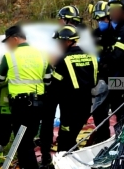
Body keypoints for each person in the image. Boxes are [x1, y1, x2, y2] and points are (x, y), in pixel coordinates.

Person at [40, 25, 98, 168]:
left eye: (59, 42)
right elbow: (95, 80)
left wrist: (47, 100)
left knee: (65, 142)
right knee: (72, 136)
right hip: (86, 104)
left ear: (67, 41)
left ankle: (62, 164)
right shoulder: (91, 56)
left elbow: (55, 85)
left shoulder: (63, 59)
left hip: (70, 106)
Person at [0, 25, 51, 169]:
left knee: (22, 142)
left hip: (21, 105)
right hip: (39, 103)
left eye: (7, 42)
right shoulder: (42, 54)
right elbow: (48, 80)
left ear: (14, 39)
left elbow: (0, 79)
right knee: (28, 139)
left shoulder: (9, 56)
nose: (7, 46)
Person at [87, 1, 118, 145]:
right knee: (99, 111)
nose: (101, 22)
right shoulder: (95, 34)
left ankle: (122, 137)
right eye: (98, 20)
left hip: (120, 78)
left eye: (104, 19)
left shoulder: (119, 32)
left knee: (122, 107)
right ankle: (103, 137)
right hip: (103, 78)